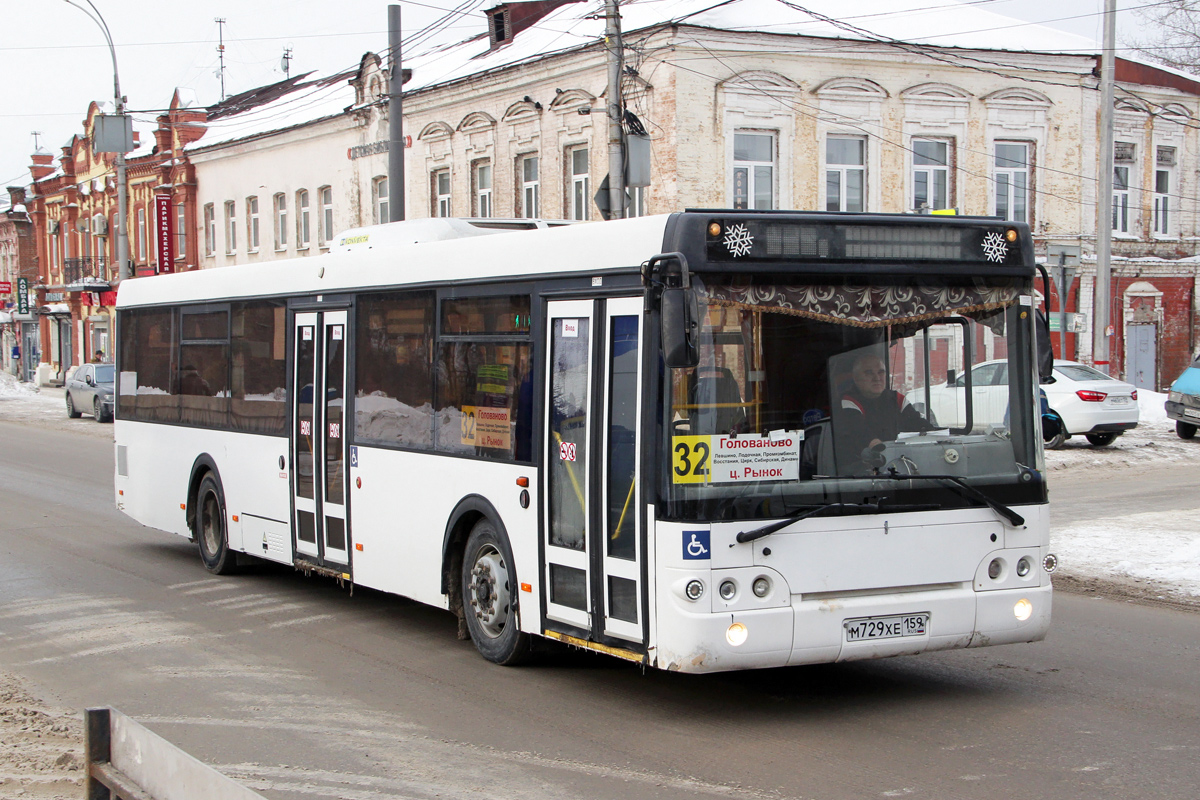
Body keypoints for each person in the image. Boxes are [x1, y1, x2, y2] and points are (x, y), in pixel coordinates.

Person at [833, 352, 933, 472]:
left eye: (881, 372)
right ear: (856, 378)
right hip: (861, 469)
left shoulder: (896, 399)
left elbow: (919, 424)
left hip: (899, 463)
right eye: (869, 372)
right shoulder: (848, 401)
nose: (877, 378)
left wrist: (940, 435)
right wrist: (876, 447)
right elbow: (860, 432)